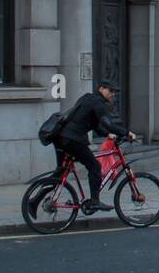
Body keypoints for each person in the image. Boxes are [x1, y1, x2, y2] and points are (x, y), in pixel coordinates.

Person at [53, 81, 135, 214]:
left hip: (62, 138)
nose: (112, 94)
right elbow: (107, 123)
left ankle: (35, 200)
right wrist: (126, 133)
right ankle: (95, 201)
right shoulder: (98, 103)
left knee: (59, 174)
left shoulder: (87, 98)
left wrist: (108, 134)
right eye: (110, 90)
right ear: (101, 88)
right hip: (73, 139)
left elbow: (94, 124)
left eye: (114, 92)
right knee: (95, 166)